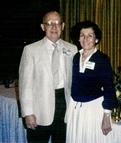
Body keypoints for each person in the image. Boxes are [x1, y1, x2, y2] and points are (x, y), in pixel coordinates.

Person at [18, 11, 77, 143]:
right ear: (43, 27)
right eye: (49, 23)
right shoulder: (31, 50)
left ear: (63, 26)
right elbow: (25, 85)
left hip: (65, 108)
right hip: (39, 111)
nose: (54, 27)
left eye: (57, 23)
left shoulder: (72, 49)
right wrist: (28, 113)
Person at [66, 21, 118, 143]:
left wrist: (106, 115)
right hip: (75, 110)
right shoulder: (75, 57)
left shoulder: (102, 59)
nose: (85, 39)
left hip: (93, 110)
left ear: (96, 39)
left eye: (90, 35)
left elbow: (109, 88)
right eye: (82, 35)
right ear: (78, 38)